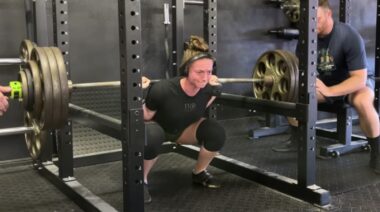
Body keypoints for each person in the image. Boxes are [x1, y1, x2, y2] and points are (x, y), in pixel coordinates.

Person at [272, 0, 380, 174]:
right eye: (310, 19)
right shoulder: (307, 38)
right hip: (325, 83)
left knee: (363, 102)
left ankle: (377, 152)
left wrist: (330, 91)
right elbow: (303, 68)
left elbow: (359, 79)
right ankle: (297, 139)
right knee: (291, 93)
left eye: (318, 18)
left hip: (352, 83)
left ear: (329, 14)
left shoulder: (348, 35)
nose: (313, 23)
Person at [142, 35, 226, 203]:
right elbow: (145, 116)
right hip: (158, 128)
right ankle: (141, 181)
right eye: (199, 72)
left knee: (216, 132)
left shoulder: (209, 88)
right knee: (152, 135)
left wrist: (214, 89)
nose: (204, 77)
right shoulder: (162, 89)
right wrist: (139, 93)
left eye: (209, 72)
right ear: (187, 69)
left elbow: (202, 106)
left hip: (184, 130)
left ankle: (199, 172)